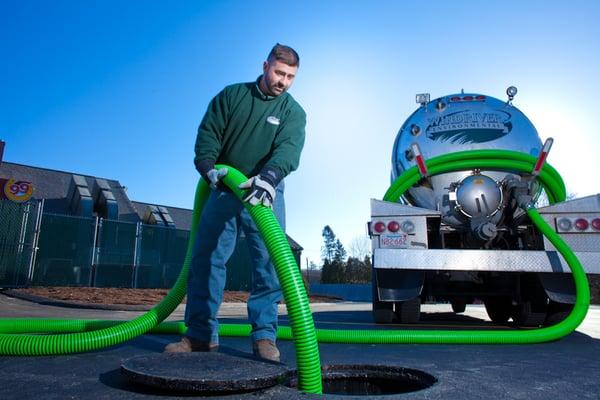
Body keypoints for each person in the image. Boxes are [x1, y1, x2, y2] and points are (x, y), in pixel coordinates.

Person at [165, 44, 306, 362]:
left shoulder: (293, 112)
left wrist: (269, 177)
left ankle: (264, 337)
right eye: (279, 72)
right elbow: (208, 136)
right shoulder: (231, 96)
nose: (283, 81)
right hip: (226, 187)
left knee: (269, 265)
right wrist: (208, 167)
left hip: (265, 191)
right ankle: (200, 334)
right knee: (206, 259)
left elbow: (288, 150)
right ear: (265, 65)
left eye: (290, 77)